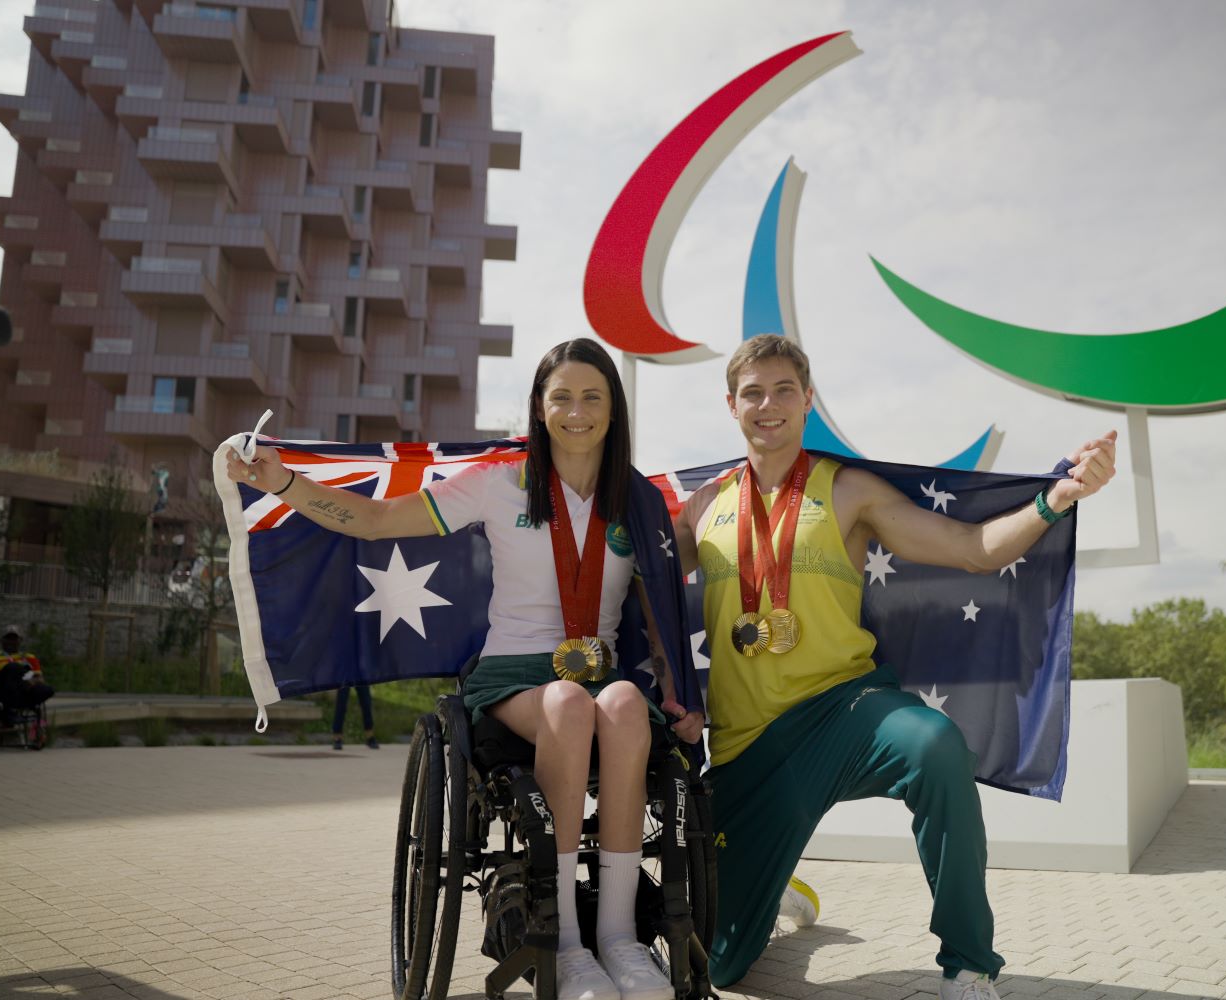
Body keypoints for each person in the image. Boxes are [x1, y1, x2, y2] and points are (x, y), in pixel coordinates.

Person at [225, 338, 702, 1000]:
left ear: (613, 411)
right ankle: (566, 947)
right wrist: (281, 481)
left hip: (601, 677)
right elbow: (374, 519)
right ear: (540, 407)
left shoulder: (639, 501)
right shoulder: (497, 484)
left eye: (592, 397)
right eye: (560, 396)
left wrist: (684, 697)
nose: (576, 411)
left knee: (621, 705)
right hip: (515, 677)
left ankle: (619, 939)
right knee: (568, 704)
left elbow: (663, 610)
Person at [671, 334, 1117, 1000]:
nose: (768, 405)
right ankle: (774, 884)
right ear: (731, 405)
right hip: (747, 747)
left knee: (934, 746)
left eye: (783, 390)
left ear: (806, 400)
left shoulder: (847, 490)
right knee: (721, 969)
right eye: (752, 392)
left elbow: (971, 549)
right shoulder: (703, 507)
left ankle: (967, 963)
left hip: (843, 710)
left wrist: (1057, 498)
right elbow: (636, 590)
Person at [0, 624, 54, 728]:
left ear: (20, 641)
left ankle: (18, 709)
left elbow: (40, 678)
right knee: (13, 667)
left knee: (47, 690)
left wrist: (31, 682)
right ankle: (8, 711)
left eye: (14, 639)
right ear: (2, 640)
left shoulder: (29, 657)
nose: (11, 642)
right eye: (8, 638)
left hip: (22, 689)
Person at [331, 683, 378, 750]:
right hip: (345, 673)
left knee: (366, 702)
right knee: (341, 703)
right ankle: (337, 738)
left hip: (360, 673)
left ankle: (370, 737)